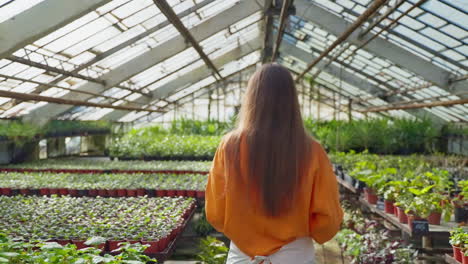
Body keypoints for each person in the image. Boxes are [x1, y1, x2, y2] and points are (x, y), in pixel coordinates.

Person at [205, 64, 343, 264]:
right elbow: (327, 221)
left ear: (252, 98)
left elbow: (215, 213)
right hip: (296, 258)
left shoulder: (229, 147)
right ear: (291, 101)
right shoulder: (312, 150)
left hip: (242, 258)